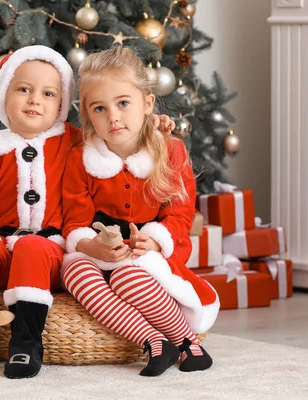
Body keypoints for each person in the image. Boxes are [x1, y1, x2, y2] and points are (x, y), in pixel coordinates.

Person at [0, 45, 175, 379]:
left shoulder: (74, 141)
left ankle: (26, 343)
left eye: (48, 93)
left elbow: (116, 135)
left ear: (61, 105)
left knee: (32, 246)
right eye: (24, 90)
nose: (34, 100)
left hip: (54, 255)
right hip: (5, 253)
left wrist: (152, 124)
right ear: (3, 95)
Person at [61, 47, 220, 377]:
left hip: (147, 252)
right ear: (87, 115)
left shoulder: (169, 150)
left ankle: (187, 340)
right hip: (99, 249)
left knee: (127, 275)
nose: (113, 117)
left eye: (123, 103)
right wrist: (90, 246)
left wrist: (155, 242)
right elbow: (75, 219)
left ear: (147, 103)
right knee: (72, 268)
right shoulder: (81, 157)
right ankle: (154, 342)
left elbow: (180, 214)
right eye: (99, 108)